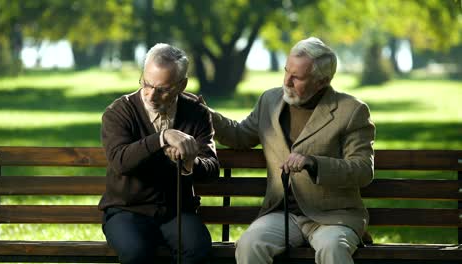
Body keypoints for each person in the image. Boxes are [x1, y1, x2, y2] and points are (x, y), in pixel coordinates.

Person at [204, 37, 375, 264]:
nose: (287, 81)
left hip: (333, 217)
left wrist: (314, 163)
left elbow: (362, 170)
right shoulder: (270, 100)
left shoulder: (351, 111)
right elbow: (239, 136)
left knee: (333, 249)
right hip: (281, 214)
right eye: (286, 71)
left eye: (297, 77)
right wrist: (204, 113)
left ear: (321, 82)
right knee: (249, 245)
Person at [98, 43, 219, 264]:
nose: (151, 95)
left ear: (182, 85)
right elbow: (120, 162)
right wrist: (162, 137)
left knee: (197, 248)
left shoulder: (196, 113)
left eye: (163, 89)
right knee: (136, 253)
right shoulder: (118, 112)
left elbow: (212, 168)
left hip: (177, 212)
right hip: (126, 211)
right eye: (147, 84)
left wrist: (190, 162)